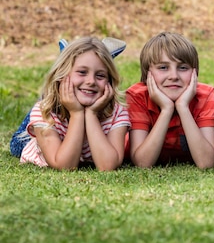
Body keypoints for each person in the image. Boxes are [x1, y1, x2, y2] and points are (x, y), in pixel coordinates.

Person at [18, 37, 130, 170]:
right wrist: (77, 114)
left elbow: (107, 166)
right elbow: (65, 166)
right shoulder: (44, 112)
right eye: (82, 72)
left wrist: (91, 114)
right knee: (18, 143)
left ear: (109, 82)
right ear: (62, 76)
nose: (91, 81)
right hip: (45, 130)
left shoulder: (117, 112)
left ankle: (78, 53)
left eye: (100, 75)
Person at [126, 32, 214, 169]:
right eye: (163, 67)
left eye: (183, 68)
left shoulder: (204, 95)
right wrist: (166, 109)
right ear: (147, 73)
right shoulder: (137, 96)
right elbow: (142, 163)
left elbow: (206, 163)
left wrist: (183, 107)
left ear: (195, 73)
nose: (173, 76)